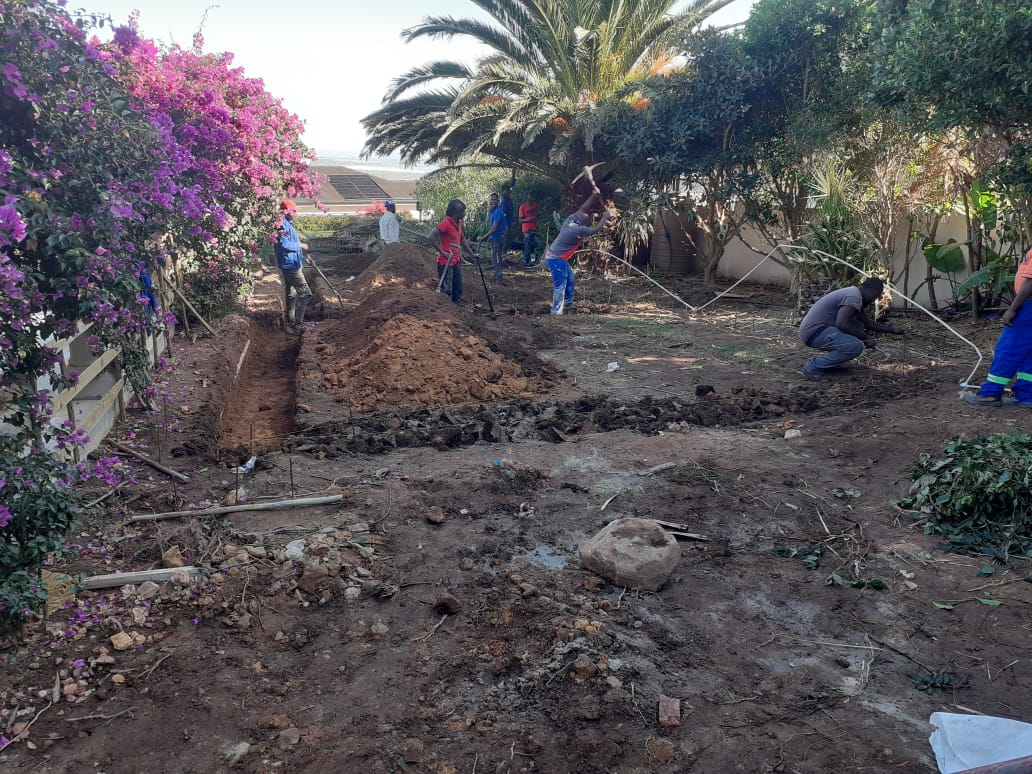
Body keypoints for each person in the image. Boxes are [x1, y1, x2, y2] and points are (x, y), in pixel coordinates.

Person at [961, 247, 1032, 406]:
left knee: (1009, 349)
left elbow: (1030, 283)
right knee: (1029, 352)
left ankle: (990, 394)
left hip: (1029, 307)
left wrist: (1013, 309)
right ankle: (1027, 394)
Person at [798, 277, 905, 379]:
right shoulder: (853, 297)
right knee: (854, 347)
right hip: (814, 333)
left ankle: (831, 362)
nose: (873, 300)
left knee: (859, 325)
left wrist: (892, 330)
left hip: (819, 330)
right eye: (875, 296)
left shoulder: (855, 294)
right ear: (872, 292)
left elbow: (867, 323)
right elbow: (841, 323)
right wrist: (865, 337)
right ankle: (813, 366)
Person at [543, 192, 611, 315]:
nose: (591, 223)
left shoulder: (570, 220)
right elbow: (595, 230)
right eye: (590, 221)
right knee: (560, 285)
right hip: (556, 259)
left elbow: (582, 209)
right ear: (586, 223)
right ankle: (556, 312)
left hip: (557, 257)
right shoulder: (580, 230)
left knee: (570, 277)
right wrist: (604, 217)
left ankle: (567, 303)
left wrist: (593, 196)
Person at [274, 199, 312, 336]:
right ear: (286, 211)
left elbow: (292, 246)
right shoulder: (281, 226)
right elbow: (284, 244)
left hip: (293, 262)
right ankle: (297, 326)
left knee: (291, 294)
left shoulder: (288, 224)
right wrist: (301, 245)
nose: (295, 213)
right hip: (290, 265)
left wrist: (304, 258)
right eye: (293, 211)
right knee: (305, 293)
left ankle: (290, 321)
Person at [428, 199, 476, 304]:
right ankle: (447, 308)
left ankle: (456, 307)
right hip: (446, 261)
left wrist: (472, 254)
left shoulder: (459, 223)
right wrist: (442, 252)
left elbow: (462, 239)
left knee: (457, 287)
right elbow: (431, 237)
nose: (464, 213)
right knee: (447, 289)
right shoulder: (446, 223)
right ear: (456, 212)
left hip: (456, 260)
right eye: (463, 211)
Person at [479, 192, 506, 283]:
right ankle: (497, 274)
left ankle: (498, 278)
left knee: (496, 258)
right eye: (491, 200)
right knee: (496, 257)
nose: (492, 201)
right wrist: (489, 238)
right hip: (495, 238)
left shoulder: (498, 211)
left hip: (498, 238)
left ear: (498, 201)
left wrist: (484, 237)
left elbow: (494, 228)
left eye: (494, 200)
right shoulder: (493, 211)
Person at [519, 192, 540, 267]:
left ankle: (537, 261)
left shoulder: (535, 205)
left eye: (532, 198)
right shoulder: (522, 207)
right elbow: (520, 220)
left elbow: (538, 215)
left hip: (535, 228)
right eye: (530, 198)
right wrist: (528, 219)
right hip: (526, 229)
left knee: (537, 245)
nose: (531, 199)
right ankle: (527, 262)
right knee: (527, 246)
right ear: (526, 198)